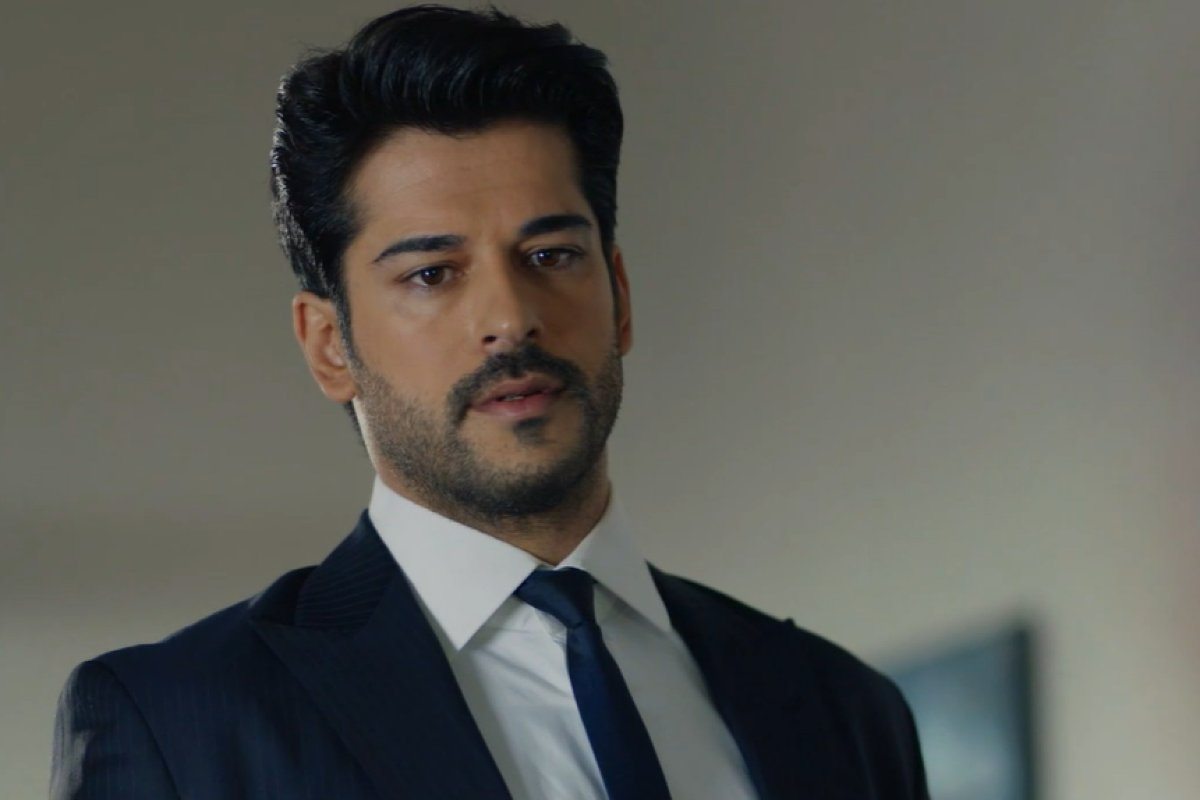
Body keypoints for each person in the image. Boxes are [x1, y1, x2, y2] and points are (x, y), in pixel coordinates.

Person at [51, 6, 929, 799]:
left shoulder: (843, 707)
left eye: (551, 256)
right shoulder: (178, 724)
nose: (510, 318)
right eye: (432, 274)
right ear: (328, 346)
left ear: (619, 295)